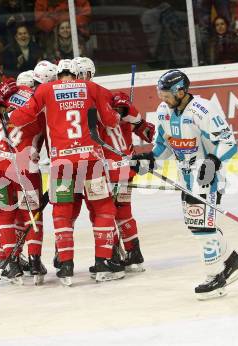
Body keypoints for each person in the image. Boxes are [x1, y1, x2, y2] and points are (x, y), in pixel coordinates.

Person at [132, 69, 238, 300]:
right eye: (160, 94)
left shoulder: (202, 110)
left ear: (182, 91)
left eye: (167, 94)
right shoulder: (164, 111)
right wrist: (150, 158)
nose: (163, 99)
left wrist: (213, 161)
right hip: (186, 177)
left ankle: (215, 277)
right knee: (197, 226)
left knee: (202, 228)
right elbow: (163, 146)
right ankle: (233, 261)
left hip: (208, 176)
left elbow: (228, 142)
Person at [10, 59, 122, 285]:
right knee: (102, 207)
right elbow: (110, 120)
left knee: (62, 212)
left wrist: (9, 116)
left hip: (61, 162)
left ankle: (66, 265)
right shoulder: (89, 87)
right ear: (76, 74)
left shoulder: (44, 89)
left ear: (58, 75)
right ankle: (103, 263)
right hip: (91, 160)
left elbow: (20, 118)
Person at [71, 57, 155, 275]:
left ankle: (113, 256)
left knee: (103, 212)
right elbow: (143, 126)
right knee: (123, 211)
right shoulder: (114, 97)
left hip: (106, 168)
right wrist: (129, 112)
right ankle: (134, 254)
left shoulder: (88, 100)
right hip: (126, 166)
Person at [0, 74, 52, 285]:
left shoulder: (7, 97)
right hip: (23, 166)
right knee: (31, 214)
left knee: (3, 214)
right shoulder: (42, 102)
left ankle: (9, 262)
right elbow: (48, 139)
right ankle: (33, 259)